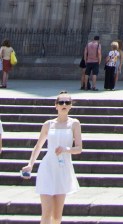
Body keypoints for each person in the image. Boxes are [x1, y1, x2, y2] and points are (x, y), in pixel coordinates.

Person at [22, 90, 82, 224]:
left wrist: (66, 149)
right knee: (46, 213)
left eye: (67, 102)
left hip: (63, 169)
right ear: (56, 105)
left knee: (56, 216)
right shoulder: (48, 124)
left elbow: (79, 148)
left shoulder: (74, 124)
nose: (64, 105)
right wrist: (30, 164)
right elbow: (38, 146)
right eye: (61, 102)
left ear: (71, 106)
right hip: (47, 167)